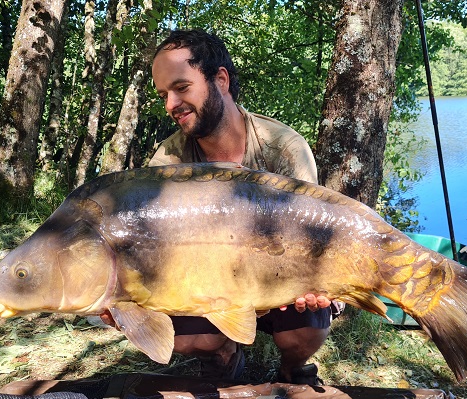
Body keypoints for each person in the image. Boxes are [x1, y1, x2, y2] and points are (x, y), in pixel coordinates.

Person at [107, 28, 340, 385]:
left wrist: (322, 290)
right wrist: (127, 299)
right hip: (207, 280)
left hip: (275, 278)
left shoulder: (283, 147)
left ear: (221, 80)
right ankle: (225, 354)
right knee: (191, 339)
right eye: (163, 95)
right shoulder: (168, 160)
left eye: (181, 88)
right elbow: (153, 247)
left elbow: (311, 237)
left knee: (303, 332)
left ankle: (292, 366)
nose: (170, 105)